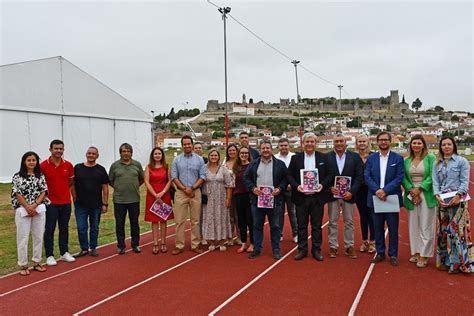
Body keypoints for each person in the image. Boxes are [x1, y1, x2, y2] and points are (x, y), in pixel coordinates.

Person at [288, 132, 332, 262]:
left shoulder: (323, 157)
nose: (309, 144)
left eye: (312, 142)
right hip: (301, 197)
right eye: (307, 142)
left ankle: (316, 250)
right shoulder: (296, 158)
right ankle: (302, 250)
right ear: (303, 143)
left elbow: (330, 174)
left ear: (315, 143)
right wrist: (297, 186)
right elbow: (289, 175)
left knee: (316, 226)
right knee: (302, 225)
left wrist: (322, 185)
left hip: (317, 197)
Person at [432, 136, 473, 273]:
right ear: (441, 147)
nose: (446, 147)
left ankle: (458, 264)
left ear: (454, 146)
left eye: (449, 144)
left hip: (458, 202)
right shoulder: (437, 163)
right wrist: (437, 195)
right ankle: (445, 261)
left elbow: (464, 181)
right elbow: (435, 182)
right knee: (444, 232)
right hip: (443, 202)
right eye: (444, 145)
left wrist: (458, 195)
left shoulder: (462, 161)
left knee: (457, 233)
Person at [365, 132, 404, 266]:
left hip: (391, 197)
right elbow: (367, 176)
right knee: (377, 228)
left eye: (386, 140)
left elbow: (399, 177)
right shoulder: (371, 159)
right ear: (377, 142)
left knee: (393, 228)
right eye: (381, 140)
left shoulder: (398, 158)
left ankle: (393, 254)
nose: (383, 142)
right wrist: (377, 190)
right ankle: (380, 252)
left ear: (390, 141)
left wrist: (385, 190)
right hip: (375, 197)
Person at [244, 140, 287, 260]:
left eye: (267, 148)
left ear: (271, 149)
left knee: (275, 226)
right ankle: (257, 249)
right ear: (260, 150)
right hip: (258, 200)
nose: (265, 150)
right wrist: (253, 188)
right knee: (257, 226)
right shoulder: (253, 164)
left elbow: (285, 179)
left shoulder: (280, 164)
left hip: (274, 201)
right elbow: (246, 178)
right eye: (263, 148)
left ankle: (276, 250)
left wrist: (280, 188)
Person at [402, 135, 436, 268]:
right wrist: (411, 190)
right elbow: (403, 178)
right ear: (410, 145)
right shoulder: (406, 160)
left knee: (426, 225)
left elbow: (432, 176)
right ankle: (416, 251)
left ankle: (424, 254)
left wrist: (420, 189)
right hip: (411, 195)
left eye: (418, 143)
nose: (416, 145)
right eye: (413, 143)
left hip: (426, 193)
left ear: (423, 145)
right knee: (413, 224)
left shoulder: (431, 158)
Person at [12, 152, 49, 275]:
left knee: (38, 236)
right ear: (24, 162)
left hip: (38, 209)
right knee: (23, 238)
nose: (32, 162)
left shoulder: (40, 175)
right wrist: (27, 207)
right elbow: (17, 193)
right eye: (29, 160)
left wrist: (34, 206)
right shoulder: (17, 176)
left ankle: (37, 262)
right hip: (23, 210)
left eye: (34, 160)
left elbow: (44, 191)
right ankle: (23, 265)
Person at [327, 134, 363, 259]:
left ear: (345, 142)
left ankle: (349, 246)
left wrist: (352, 192)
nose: (339, 144)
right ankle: (333, 246)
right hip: (333, 195)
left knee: (349, 221)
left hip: (349, 196)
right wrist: (329, 188)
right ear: (333, 143)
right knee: (332, 222)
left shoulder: (355, 157)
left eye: (341, 141)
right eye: (336, 141)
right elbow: (323, 176)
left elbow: (359, 177)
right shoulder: (327, 157)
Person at [40, 139, 75, 266]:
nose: (58, 151)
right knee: (49, 229)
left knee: (64, 228)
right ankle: (49, 255)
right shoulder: (43, 165)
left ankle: (64, 252)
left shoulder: (68, 165)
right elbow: (40, 185)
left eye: (61, 149)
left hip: (65, 202)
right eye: (56, 148)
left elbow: (70, 182)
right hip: (50, 203)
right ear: (50, 149)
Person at [71, 146, 109, 258]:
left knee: (94, 227)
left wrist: (105, 204)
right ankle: (84, 249)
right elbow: (72, 184)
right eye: (89, 153)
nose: (91, 155)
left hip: (96, 205)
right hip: (80, 205)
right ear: (86, 154)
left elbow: (105, 188)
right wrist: (74, 198)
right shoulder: (77, 168)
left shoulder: (101, 170)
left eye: (93, 154)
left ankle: (93, 248)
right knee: (81, 227)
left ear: (97, 156)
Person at [171, 135, 206, 255]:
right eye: (184, 144)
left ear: (192, 144)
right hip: (181, 193)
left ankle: (195, 244)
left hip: (195, 192)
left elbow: (202, 177)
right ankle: (179, 245)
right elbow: (174, 177)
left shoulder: (199, 159)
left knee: (195, 220)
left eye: (188, 144)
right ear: (182, 146)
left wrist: (192, 188)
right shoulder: (176, 160)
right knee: (179, 220)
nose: (187, 146)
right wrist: (184, 189)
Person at [109, 143, 144, 255]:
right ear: (120, 153)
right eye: (124, 151)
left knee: (134, 223)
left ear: (131, 153)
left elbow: (142, 179)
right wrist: (119, 188)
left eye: (128, 151)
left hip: (134, 199)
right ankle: (121, 246)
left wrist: (134, 187)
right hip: (119, 200)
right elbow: (110, 180)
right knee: (120, 224)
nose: (126, 153)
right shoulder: (115, 165)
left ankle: (135, 244)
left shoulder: (137, 165)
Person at [202, 149, 234, 251]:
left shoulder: (223, 169)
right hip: (208, 198)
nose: (214, 157)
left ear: (218, 157)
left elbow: (229, 185)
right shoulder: (203, 168)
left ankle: (221, 242)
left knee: (221, 218)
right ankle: (211, 241)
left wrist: (228, 199)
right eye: (212, 155)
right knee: (209, 218)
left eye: (216, 155)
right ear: (209, 156)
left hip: (221, 197)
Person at [144, 147, 173, 254]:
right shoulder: (148, 167)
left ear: (162, 155)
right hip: (152, 196)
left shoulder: (166, 167)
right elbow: (146, 182)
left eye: (159, 153)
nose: (157, 155)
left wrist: (163, 192)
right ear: (152, 155)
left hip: (164, 195)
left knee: (163, 220)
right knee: (154, 221)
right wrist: (155, 194)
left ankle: (163, 242)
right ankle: (155, 243)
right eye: (155, 153)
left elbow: (170, 180)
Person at [354, 134, 376, 254]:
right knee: (363, 216)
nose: (362, 143)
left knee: (372, 215)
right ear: (356, 143)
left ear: (368, 142)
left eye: (364, 141)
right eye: (360, 141)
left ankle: (373, 241)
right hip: (359, 190)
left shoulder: (374, 155)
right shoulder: (353, 157)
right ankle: (364, 241)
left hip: (371, 189)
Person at [274, 138, 297, 243]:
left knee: (293, 212)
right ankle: (279, 234)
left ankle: (296, 234)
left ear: (289, 146)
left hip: (292, 190)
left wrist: (292, 185)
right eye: (281, 145)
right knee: (279, 213)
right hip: (279, 190)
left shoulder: (294, 157)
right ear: (278, 147)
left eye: (285, 145)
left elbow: (297, 174)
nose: (283, 147)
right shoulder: (274, 158)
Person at [233, 147, 254, 253]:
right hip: (239, 196)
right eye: (242, 153)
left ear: (248, 154)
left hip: (250, 196)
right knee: (241, 222)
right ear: (239, 154)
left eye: (246, 153)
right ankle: (243, 243)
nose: (244, 154)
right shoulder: (236, 167)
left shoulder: (252, 165)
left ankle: (253, 243)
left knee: (250, 220)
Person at [224, 144, 240, 246]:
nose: (232, 152)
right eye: (230, 150)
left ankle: (239, 237)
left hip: (239, 192)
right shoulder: (224, 164)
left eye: (233, 150)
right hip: (227, 192)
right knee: (229, 217)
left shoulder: (240, 163)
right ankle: (229, 237)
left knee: (238, 216)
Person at [194, 142, 208, 246]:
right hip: (194, 190)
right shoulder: (191, 161)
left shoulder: (206, 161)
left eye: (200, 148)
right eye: (196, 148)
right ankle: (197, 237)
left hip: (205, 191)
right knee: (196, 216)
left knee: (204, 215)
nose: (198, 149)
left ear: (202, 150)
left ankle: (204, 235)